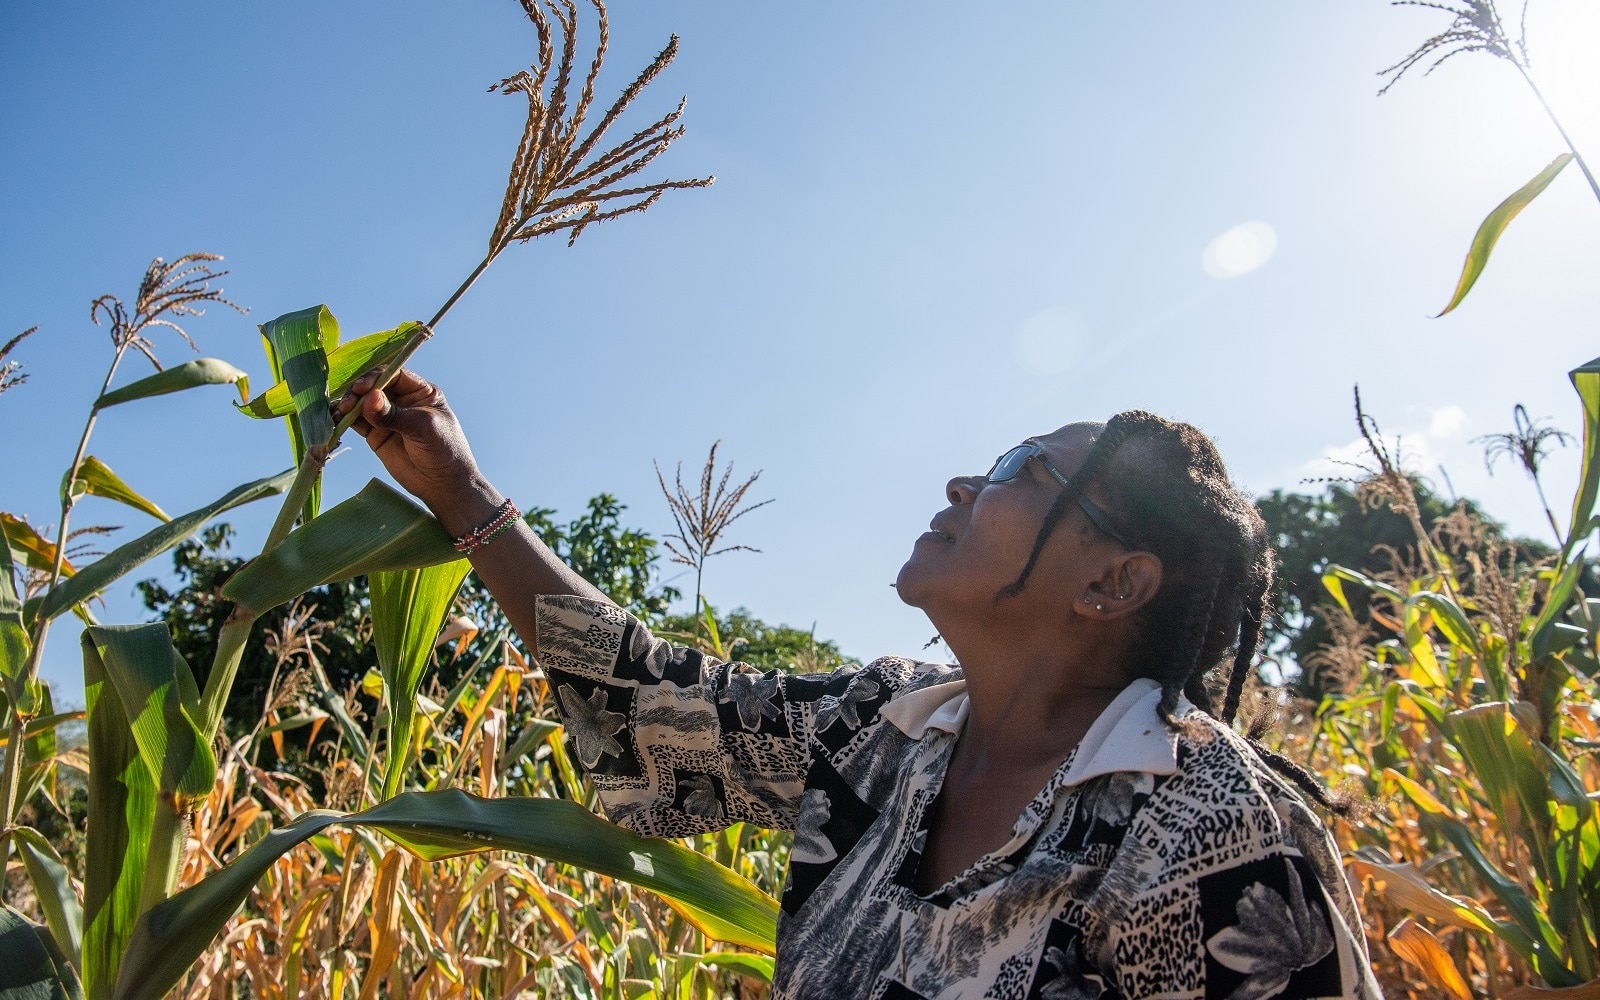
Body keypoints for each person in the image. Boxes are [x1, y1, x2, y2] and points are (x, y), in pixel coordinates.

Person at [337, 368, 1382, 1000]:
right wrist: (459, 489)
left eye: (1023, 468)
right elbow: (651, 715)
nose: (962, 481)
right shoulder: (882, 729)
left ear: (1113, 581)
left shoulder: (1211, 831)